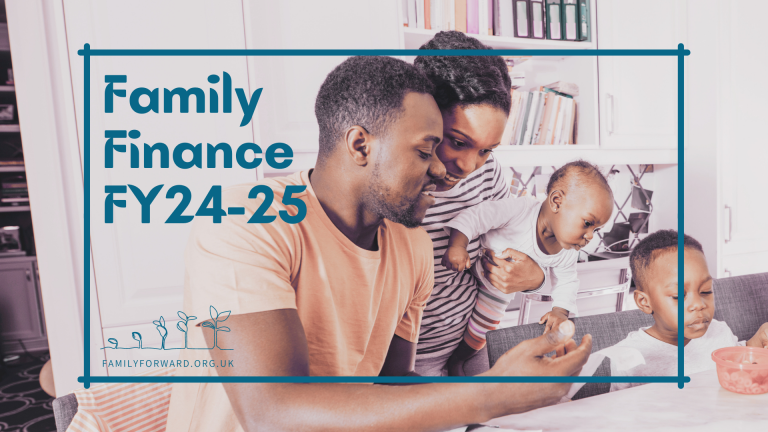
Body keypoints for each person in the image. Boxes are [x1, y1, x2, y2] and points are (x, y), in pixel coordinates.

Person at [165, 55, 593, 431]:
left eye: (484, 153)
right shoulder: (245, 218)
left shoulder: (412, 245)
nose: (450, 172)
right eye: (431, 149)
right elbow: (272, 413)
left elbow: (392, 389)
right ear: (360, 144)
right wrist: (488, 394)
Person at [413, 31, 550, 377]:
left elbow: (515, 242)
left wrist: (534, 277)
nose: (470, 165)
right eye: (458, 142)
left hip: (472, 346)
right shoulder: (395, 189)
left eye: (487, 149)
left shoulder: (488, 173)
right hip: (407, 359)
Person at [563, 230, 768, 399]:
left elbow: (737, 364)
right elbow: (622, 413)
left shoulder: (718, 330)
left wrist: (757, 342)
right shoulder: (631, 355)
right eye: (679, 296)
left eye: (706, 291)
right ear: (645, 302)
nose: (698, 304)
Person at [442, 160, 614, 341]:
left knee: (477, 339)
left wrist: (560, 312)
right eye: (587, 223)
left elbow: (567, 282)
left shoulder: (568, 251)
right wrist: (457, 246)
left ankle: (459, 363)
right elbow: (477, 216)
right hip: (466, 269)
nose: (590, 236)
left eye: (596, 230)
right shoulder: (520, 210)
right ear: (557, 202)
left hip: (495, 292)